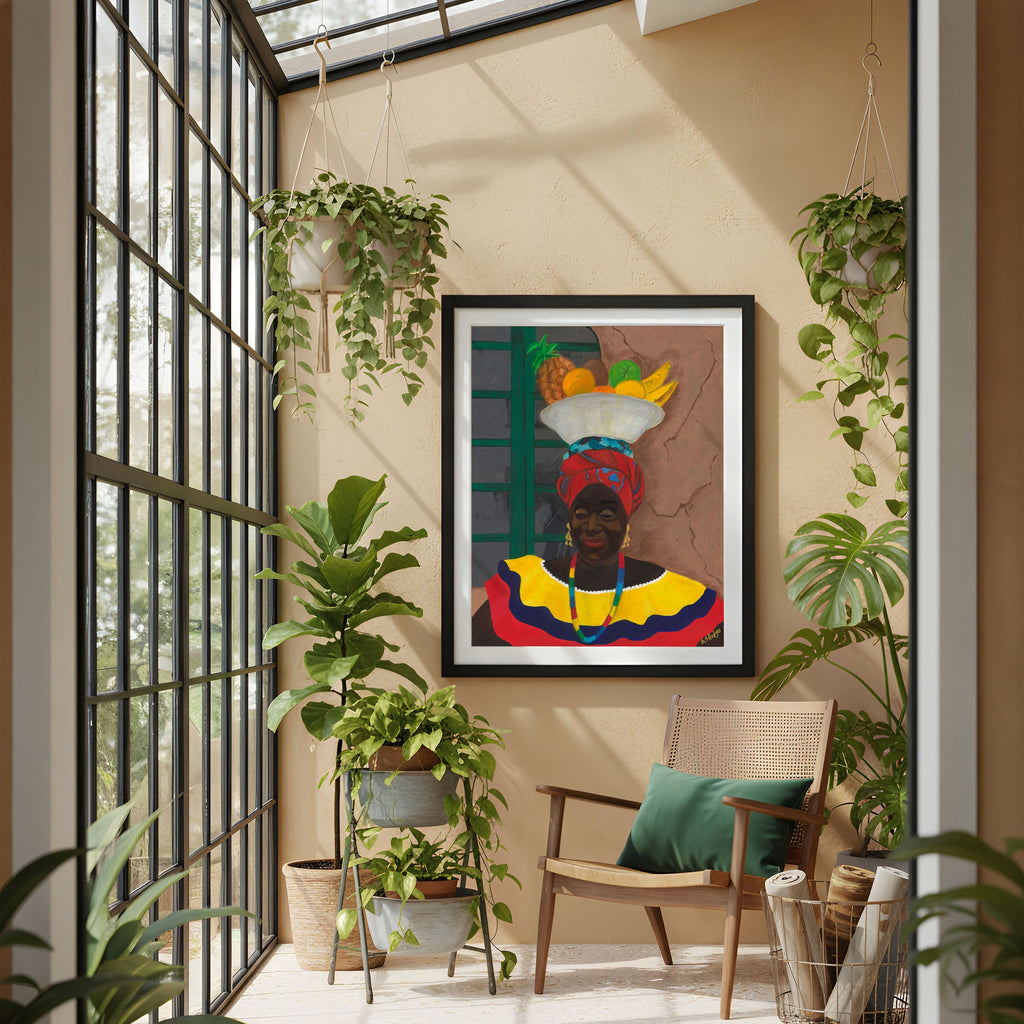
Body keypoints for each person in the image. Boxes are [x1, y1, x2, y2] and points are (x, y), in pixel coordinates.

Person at [471, 440, 724, 646]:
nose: (591, 526)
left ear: (627, 521)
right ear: (569, 521)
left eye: (606, 515)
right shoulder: (524, 587)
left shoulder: (678, 599)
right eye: (581, 514)